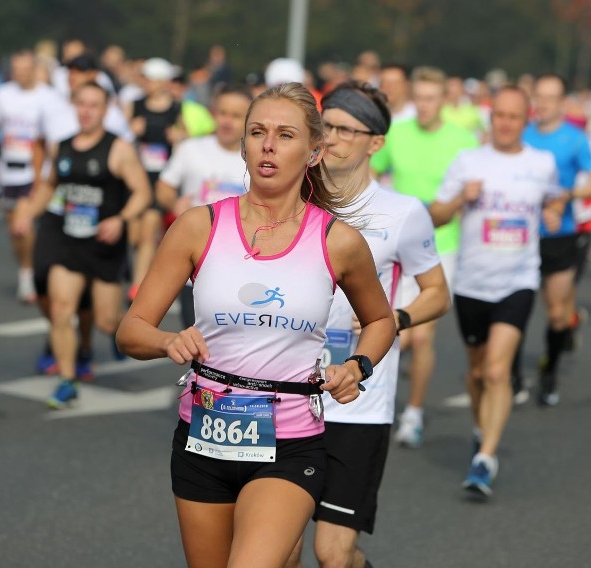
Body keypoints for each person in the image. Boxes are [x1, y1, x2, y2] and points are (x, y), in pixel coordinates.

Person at [116, 82, 396, 568]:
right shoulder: (197, 225)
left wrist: (358, 365)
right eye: (257, 132)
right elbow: (131, 330)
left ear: (313, 151)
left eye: (285, 135)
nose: (268, 145)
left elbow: (380, 320)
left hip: (289, 444)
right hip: (203, 435)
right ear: (243, 145)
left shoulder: (337, 241)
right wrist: (167, 341)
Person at [285, 80, 449, 568]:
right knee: (282, 550)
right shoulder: (292, 198)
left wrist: (394, 318)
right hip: (285, 393)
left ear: (375, 142)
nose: (329, 138)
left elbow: (438, 292)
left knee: (334, 555)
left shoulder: (402, 214)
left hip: (358, 404)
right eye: (324, 125)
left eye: (343, 129)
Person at [430, 86, 560, 497]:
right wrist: (457, 200)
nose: (505, 123)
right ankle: (479, 426)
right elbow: (435, 215)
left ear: (527, 120)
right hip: (472, 282)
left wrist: (555, 213)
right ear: (491, 118)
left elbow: (554, 199)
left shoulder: (541, 163)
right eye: (499, 115)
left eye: (513, 117)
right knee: (476, 371)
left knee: (497, 371)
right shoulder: (469, 161)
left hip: (518, 280)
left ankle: (486, 457)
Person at [14, 81, 151, 407]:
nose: (87, 111)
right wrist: (28, 214)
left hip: (104, 245)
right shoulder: (61, 147)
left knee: (107, 322)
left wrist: (120, 219)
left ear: (105, 111)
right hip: (69, 241)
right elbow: (50, 186)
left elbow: (143, 192)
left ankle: (120, 331)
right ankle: (66, 379)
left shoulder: (118, 149)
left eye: (94, 105)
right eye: (82, 104)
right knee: (62, 310)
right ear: (75, 106)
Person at [371, 66, 478, 448]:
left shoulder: (463, 140)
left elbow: (472, 190)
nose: (425, 106)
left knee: (420, 333)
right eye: (420, 99)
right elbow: (370, 170)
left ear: (444, 101)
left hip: (441, 244)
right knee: (389, 327)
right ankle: (379, 406)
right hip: (395, 244)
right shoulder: (397, 135)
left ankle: (413, 412)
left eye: (432, 99)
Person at [522, 74, 591, 406]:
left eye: (549, 98)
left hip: (561, 234)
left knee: (556, 313)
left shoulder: (575, 139)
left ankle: (550, 372)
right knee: (521, 307)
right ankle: (512, 375)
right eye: (538, 97)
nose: (541, 104)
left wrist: (569, 194)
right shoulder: (522, 135)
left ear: (562, 103)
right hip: (522, 235)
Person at [156, 87, 252, 328]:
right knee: (196, 342)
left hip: (242, 266)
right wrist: (174, 204)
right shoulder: (192, 149)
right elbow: (164, 187)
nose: (227, 121)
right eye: (222, 113)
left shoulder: (258, 158)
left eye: (236, 115)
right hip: (196, 265)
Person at [0, 49, 57, 303]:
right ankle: (26, 269)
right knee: (14, 229)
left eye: (25, 69)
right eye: (16, 70)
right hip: (9, 169)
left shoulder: (48, 97)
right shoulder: (3, 94)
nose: (20, 74)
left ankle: (30, 276)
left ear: (33, 69)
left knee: (24, 222)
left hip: (36, 172)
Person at [126, 57, 183, 302]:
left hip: (161, 177)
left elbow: (186, 138)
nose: (147, 83)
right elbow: (120, 136)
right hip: (136, 176)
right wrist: (132, 130)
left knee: (148, 231)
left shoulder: (175, 108)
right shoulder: (135, 105)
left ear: (162, 82)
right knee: (135, 236)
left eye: (152, 78)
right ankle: (145, 270)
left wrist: (177, 137)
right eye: (145, 78)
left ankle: (137, 287)